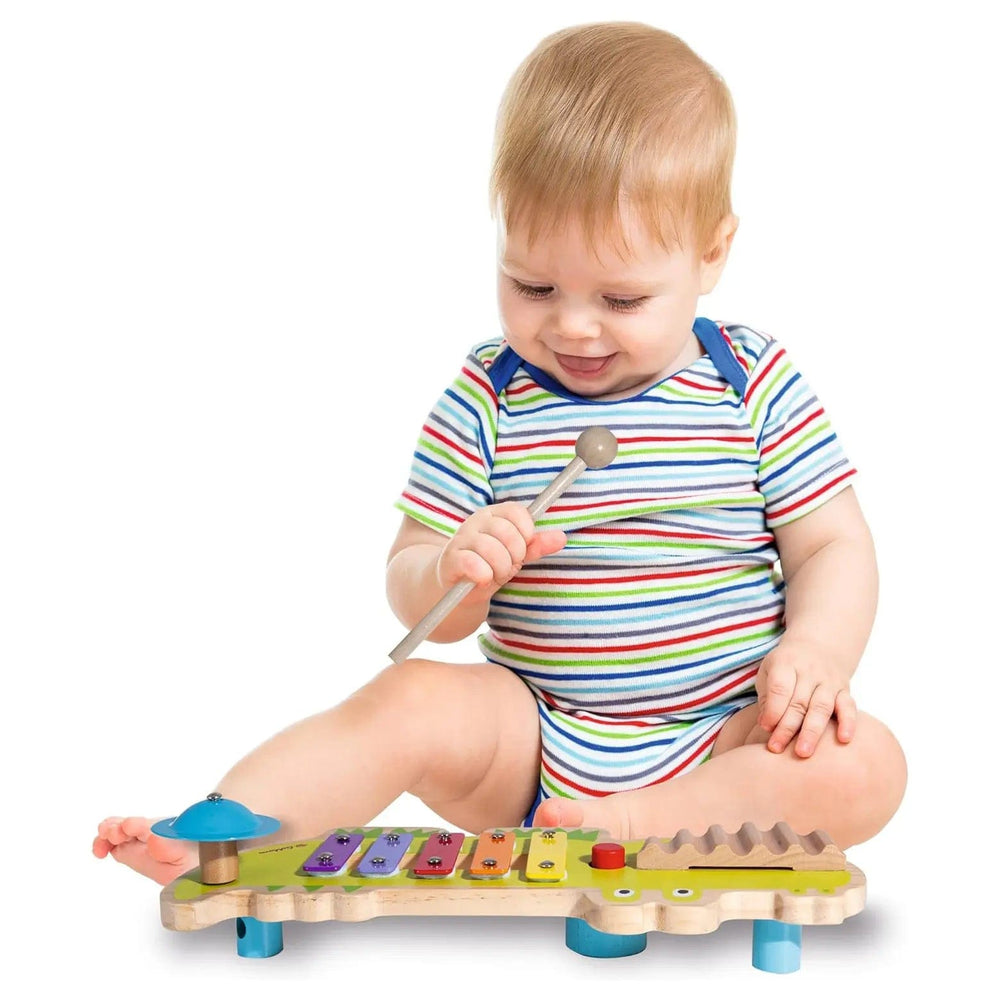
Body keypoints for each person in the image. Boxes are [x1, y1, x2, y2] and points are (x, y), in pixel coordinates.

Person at [93, 21, 906, 885]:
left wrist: (819, 651)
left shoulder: (754, 381)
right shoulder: (486, 397)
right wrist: (453, 570)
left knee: (870, 766)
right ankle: (227, 832)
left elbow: (831, 544)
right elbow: (418, 601)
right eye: (533, 285)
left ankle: (638, 825)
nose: (572, 325)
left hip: (729, 742)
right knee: (408, 702)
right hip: (533, 738)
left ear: (711, 253)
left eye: (623, 297)